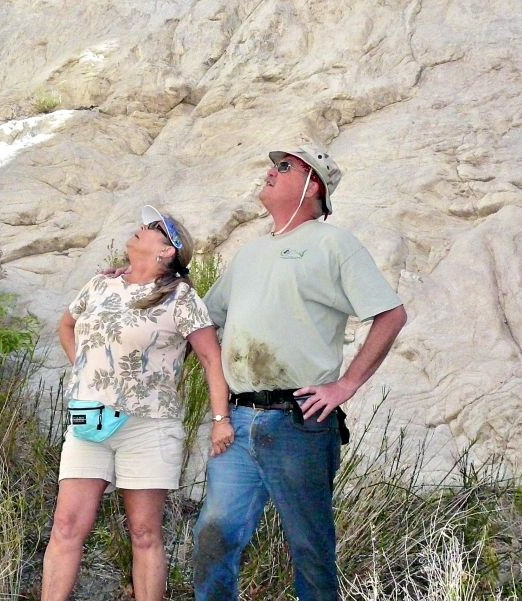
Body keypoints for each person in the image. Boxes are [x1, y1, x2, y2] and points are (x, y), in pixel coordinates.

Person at [193, 144, 408, 601]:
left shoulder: (335, 244)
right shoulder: (251, 254)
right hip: (237, 419)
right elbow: (203, 319)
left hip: (298, 419)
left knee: (309, 547)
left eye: (284, 167)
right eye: (273, 165)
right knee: (213, 536)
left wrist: (346, 384)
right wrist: (141, 279)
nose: (271, 172)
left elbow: (390, 314)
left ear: (313, 186)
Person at [41, 205, 234, 601]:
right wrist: (87, 370)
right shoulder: (100, 285)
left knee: (145, 533)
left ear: (167, 251)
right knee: (66, 526)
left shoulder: (181, 297)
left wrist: (221, 418)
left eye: (152, 228)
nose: (140, 228)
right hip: (89, 419)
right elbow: (67, 324)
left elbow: (211, 357)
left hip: (149, 425)